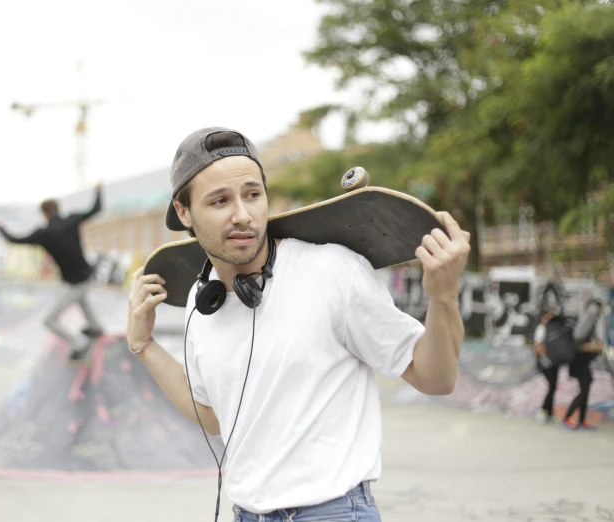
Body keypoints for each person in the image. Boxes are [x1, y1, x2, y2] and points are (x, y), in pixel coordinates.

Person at [126, 127, 470, 521]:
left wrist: (443, 298)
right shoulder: (201, 303)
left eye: (253, 195)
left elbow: (436, 378)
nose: (242, 214)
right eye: (220, 201)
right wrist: (144, 345)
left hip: (333, 512)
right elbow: (213, 416)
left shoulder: (331, 270)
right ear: (184, 212)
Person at [0, 183, 105, 360]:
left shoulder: (44, 233)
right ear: (57, 209)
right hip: (86, 275)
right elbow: (97, 209)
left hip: (73, 283)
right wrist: (99, 191)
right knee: (82, 300)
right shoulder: (72, 220)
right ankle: (97, 327)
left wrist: (0, 227)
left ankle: (79, 343)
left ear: (44, 213)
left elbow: (15, 239)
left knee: (49, 320)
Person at [562, 299, 605, 430]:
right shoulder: (585, 322)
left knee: (585, 390)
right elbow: (577, 343)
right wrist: (592, 347)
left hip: (583, 362)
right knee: (584, 390)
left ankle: (581, 420)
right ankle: (567, 418)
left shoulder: (589, 322)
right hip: (579, 362)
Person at [533, 309, 560, 423]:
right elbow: (538, 346)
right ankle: (543, 411)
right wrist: (544, 358)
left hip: (554, 362)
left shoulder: (554, 328)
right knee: (551, 386)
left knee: (553, 387)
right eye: (549, 314)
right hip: (546, 362)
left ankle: (549, 412)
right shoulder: (542, 328)